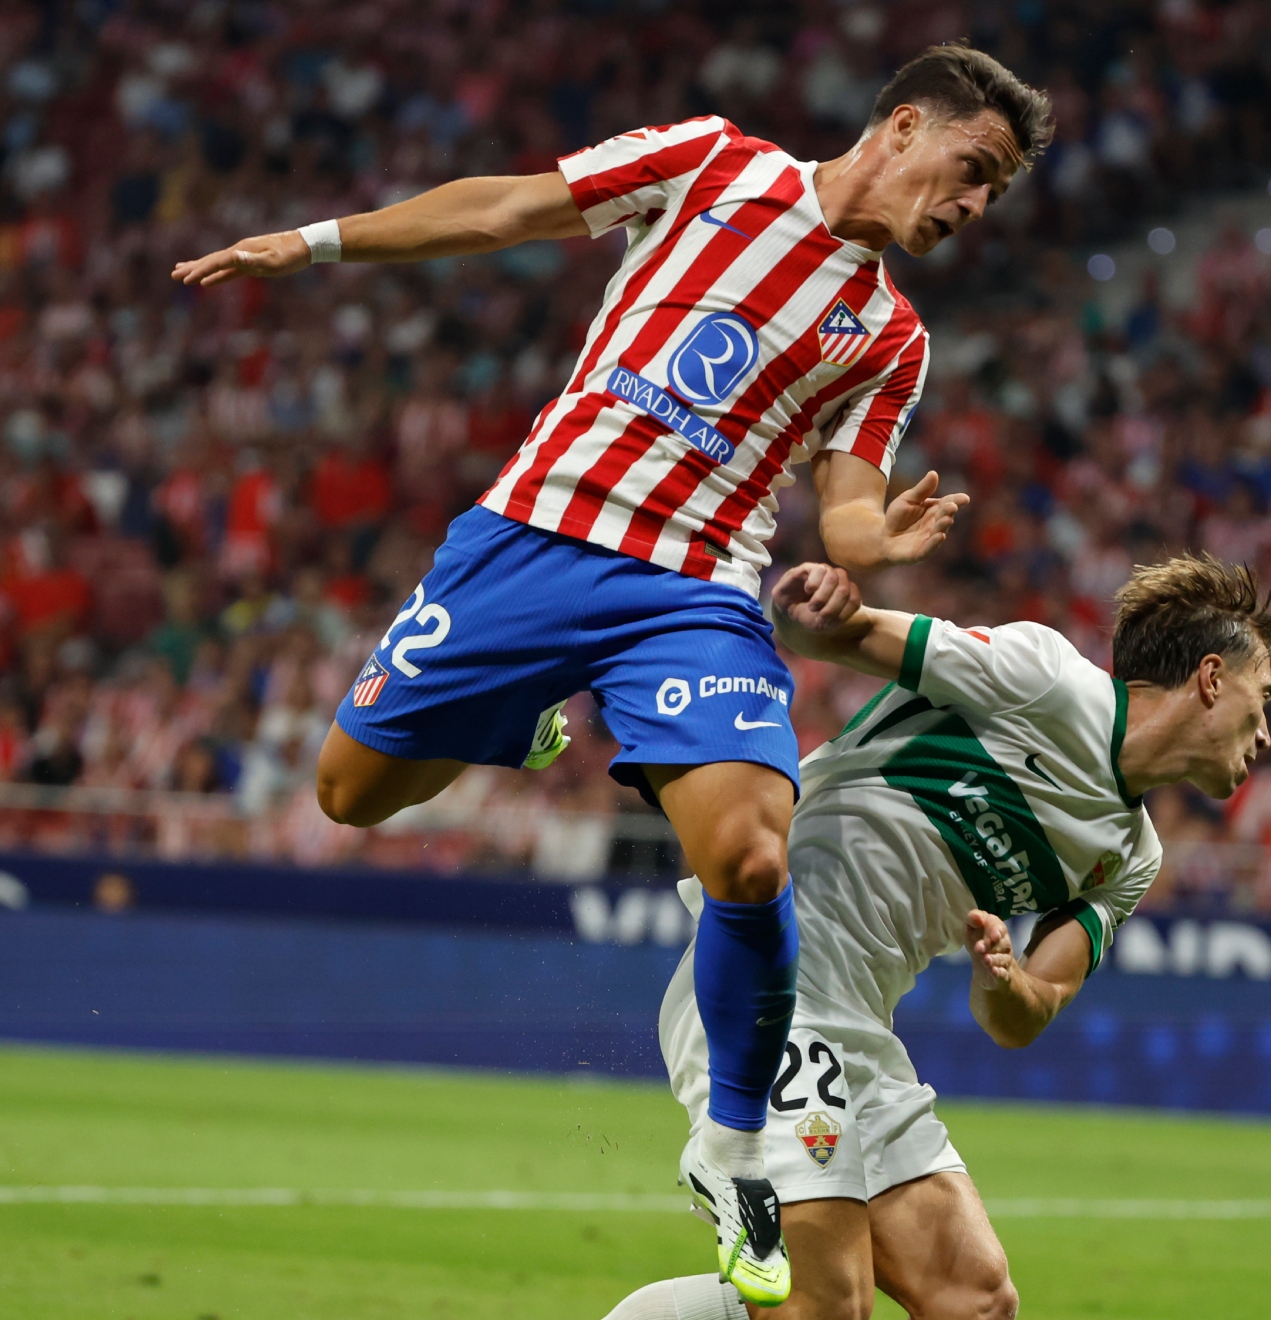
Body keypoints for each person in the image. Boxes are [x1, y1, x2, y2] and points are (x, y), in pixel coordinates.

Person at [169, 46, 1054, 1307]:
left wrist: (880, 542)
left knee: (751, 854)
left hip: (690, 591)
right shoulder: (713, 163)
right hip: (529, 541)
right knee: (350, 792)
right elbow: (503, 206)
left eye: (997, 193)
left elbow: (846, 514)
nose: (973, 206)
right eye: (975, 169)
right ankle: (530, 714)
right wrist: (309, 245)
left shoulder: (892, 339)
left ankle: (738, 1147)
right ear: (904, 125)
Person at [603, 553, 1271, 1320]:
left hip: (861, 1031)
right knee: (825, 1305)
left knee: (975, 1300)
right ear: (1211, 677)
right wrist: (815, 608)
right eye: (1264, 699)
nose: (1266, 733)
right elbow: (842, 635)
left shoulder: (1131, 857)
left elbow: (1027, 1014)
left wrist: (1008, 982)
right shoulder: (1048, 680)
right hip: (769, 988)